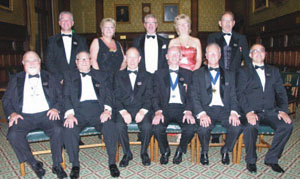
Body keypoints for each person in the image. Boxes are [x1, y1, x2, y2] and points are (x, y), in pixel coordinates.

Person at [2, 51, 67, 179]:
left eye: (35, 60)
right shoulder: (16, 79)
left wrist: (56, 108)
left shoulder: (50, 77)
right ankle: (34, 163)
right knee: (13, 134)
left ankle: (57, 164)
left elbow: (62, 97)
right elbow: (6, 100)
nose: (31, 63)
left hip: (47, 114)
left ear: (40, 62)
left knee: (58, 129)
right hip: (23, 115)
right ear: (23, 63)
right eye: (28, 61)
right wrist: (12, 113)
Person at [236, 44, 293, 173]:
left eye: (261, 50)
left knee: (287, 125)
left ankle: (272, 158)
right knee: (251, 127)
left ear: (265, 54)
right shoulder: (243, 71)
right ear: (250, 55)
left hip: (270, 111)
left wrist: (283, 110)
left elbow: (281, 92)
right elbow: (240, 94)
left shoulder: (274, 70)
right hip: (251, 111)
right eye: (255, 51)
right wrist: (249, 112)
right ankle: (251, 160)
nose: (258, 53)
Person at [63, 51, 120, 178]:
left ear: (91, 61)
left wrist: (107, 110)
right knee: (69, 128)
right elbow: (65, 96)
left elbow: (109, 94)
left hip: (98, 110)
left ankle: (112, 163)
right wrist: (70, 114)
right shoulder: (69, 76)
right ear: (76, 62)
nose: (84, 62)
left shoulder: (101, 75)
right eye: (81, 59)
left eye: (86, 59)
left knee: (110, 125)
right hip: (78, 112)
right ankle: (75, 165)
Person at [191, 43, 242, 166]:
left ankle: (225, 150)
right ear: (206, 55)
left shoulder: (229, 74)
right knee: (203, 128)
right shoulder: (197, 74)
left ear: (220, 55)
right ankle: (204, 151)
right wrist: (201, 114)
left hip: (225, 110)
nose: (213, 55)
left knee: (237, 127)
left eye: (216, 53)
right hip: (206, 109)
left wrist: (234, 112)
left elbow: (234, 96)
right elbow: (194, 96)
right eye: (210, 53)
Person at [207, 11, 250, 143]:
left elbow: (247, 59)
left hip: (235, 77)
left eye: (230, 20)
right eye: (224, 21)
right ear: (220, 23)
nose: (227, 23)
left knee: (234, 101)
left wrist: (250, 76)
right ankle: (215, 135)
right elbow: (209, 55)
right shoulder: (212, 37)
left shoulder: (241, 38)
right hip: (216, 75)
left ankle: (234, 129)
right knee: (216, 101)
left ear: (233, 23)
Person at [152, 46, 196, 165]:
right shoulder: (159, 74)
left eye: (177, 54)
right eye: (171, 54)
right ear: (166, 57)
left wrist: (188, 110)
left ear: (181, 57)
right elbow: (155, 95)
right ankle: (165, 151)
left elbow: (192, 95)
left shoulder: (188, 74)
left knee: (191, 127)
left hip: (182, 109)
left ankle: (180, 151)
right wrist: (158, 111)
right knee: (157, 127)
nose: (174, 56)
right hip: (165, 109)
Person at [114, 47, 153, 167]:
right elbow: (115, 96)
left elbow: (150, 96)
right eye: (129, 57)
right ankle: (127, 153)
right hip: (124, 108)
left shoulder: (148, 76)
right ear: (125, 58)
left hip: (141, 108)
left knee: (147, 125)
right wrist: (123, 111)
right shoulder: (118, 75)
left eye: (135, 57)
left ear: (139, 59)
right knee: (119, 125)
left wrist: (142, 111)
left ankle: (143, 152)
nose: (132, 60)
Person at [45, 11, 88, 84]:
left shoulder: (81, 40)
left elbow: (86, 60)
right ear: (59, 22)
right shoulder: (52, 40)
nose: (65, 22)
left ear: (72, 23)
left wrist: (78, 76)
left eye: (68, 20)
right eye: (63, 20)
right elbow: (49, 61)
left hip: (78, 80)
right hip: (58, 81)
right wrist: (60, 78)